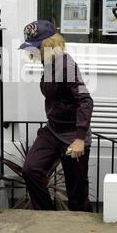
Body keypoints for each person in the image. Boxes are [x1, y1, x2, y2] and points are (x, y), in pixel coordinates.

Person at [19, 20, 93, 211]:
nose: (33, 52)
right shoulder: (49, 63)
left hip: (71, 136)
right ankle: (47, 215)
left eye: (36, 47)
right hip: (53, 131)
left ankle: (85, 232)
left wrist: (79, 139)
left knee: (76, 194)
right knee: (31, 170)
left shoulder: (66, 66)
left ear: (48, 44)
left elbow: (86, 101)